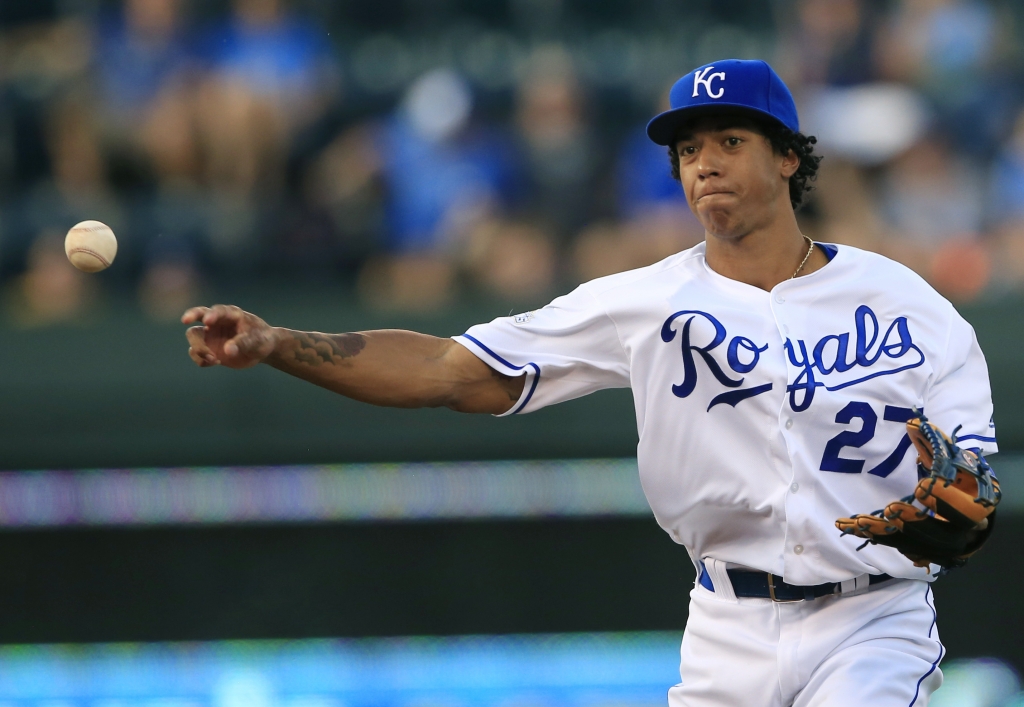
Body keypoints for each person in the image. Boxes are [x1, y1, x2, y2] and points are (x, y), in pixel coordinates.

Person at [181, 60, 999, 705]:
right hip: (728, 621)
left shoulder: (903, 303)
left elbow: (974, 475)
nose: (703, 164)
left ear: (789, 155)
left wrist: (970, 497)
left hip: (870, 614)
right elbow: (450, 369)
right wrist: (281, 342)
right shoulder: (642, 300)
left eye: (728, 141)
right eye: (687, 150)